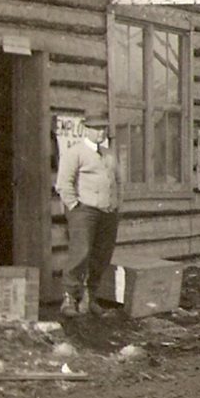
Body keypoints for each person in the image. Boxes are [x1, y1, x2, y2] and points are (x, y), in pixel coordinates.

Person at [55, 110, 121, 317]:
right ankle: (69, 299)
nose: (101, 133)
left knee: (102, 256)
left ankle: (90, 298)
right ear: (86, 129)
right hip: (85, 211)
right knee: (80, 254)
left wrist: (117, 204)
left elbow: (118, 181)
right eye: (97, 128)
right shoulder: (75, 152)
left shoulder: (109, 154)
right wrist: (75, 207)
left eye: (104, 128)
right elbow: (63, 184)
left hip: (108, 212)